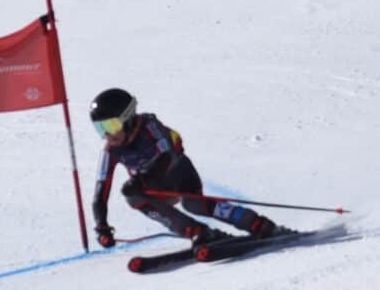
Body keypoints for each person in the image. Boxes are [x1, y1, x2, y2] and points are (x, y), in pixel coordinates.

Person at [88, 87, 288, 250]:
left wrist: (141, 181)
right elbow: (101, 192)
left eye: (111, 126)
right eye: (100, 128)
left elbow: (168, 157)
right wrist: (102, 227)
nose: (107, 135)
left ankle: (255, 223)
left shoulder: (150, 126)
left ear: (128, 119)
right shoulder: (110, 151)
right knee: (133, 196)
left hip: (179, 174)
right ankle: (197, 232)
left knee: (194, 204)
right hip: (156, 188)